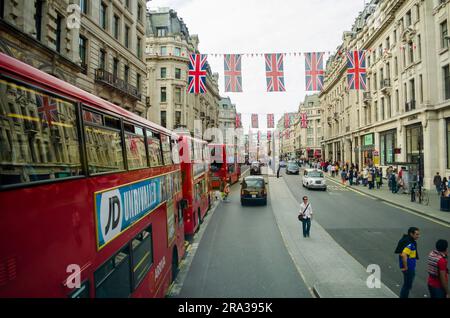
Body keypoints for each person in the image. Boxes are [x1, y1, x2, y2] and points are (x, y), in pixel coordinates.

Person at [395, 227, 420, 298]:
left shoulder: (405, 239)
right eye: (416, 234)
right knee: (407, 285)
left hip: (406, 266)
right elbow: (403, 255)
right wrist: (405, 267)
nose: (418, 236)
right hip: (408, 267)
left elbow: (400, 253)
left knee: (407, 285)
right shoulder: (409, 243)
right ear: (411, 234)